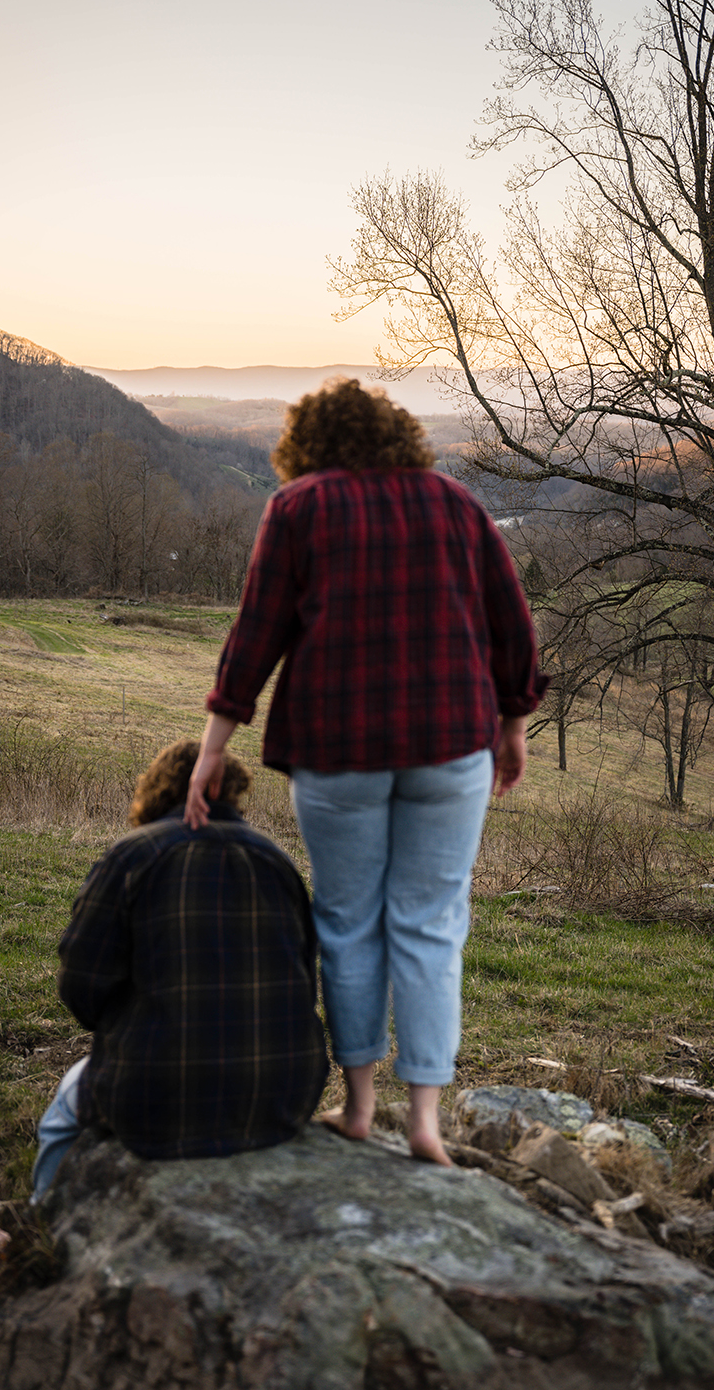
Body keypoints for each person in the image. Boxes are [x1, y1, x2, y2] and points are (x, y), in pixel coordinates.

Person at [185, 378, 547, 1165]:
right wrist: (513, 723)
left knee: (348, 923)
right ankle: (424, 1121)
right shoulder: (456, 504)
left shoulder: (299, 506)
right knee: (430, 925)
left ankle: (358, 1107)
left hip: (336, 744)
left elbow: (256, 631)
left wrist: (215, 744)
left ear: (308, 443)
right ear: (396, 435)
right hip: (451, 741)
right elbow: (511, 624)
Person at [30, 740, 328, 1203]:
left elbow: (80, 989)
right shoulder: (278, 863)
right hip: (282, 1098)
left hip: (154, 1098)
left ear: (157, 789)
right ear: (232, 792)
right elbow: (302, 986)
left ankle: (43, 1221)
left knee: (58, 1122)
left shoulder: (132, 855)